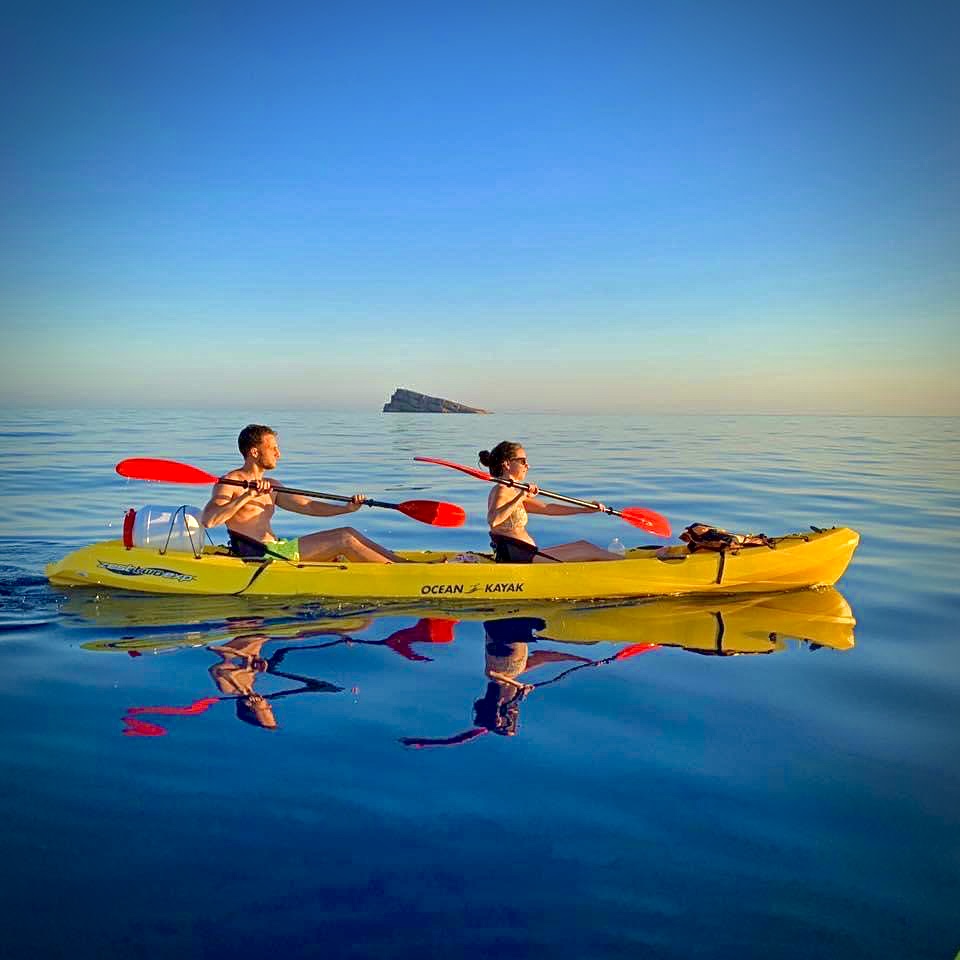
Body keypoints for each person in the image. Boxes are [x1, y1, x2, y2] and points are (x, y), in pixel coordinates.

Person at [201, 424, 405, 563]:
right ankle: (403, 575)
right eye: (273, 449)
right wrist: (247, 496)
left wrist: (346, 509)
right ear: (255, 452)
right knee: (344, 539)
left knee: (349, 531)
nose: (278, 455)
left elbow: (309, 506)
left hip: (278, 549)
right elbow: (209, 520)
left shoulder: (271, 484)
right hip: (260, 555)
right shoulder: (231, 482)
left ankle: (401, 564)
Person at [479, 441, 625, 563]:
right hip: (518, 558)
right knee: (587, 550)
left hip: (526, 553)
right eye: (522, 461)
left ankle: (620, 563)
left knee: (583, 545)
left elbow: (547, 508)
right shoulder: (501, 490)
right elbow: (493, 520)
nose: (528, 466)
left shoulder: (513, 490)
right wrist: (521, 497)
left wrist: (584, 509)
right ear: (507, 464)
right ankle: (626, 566)